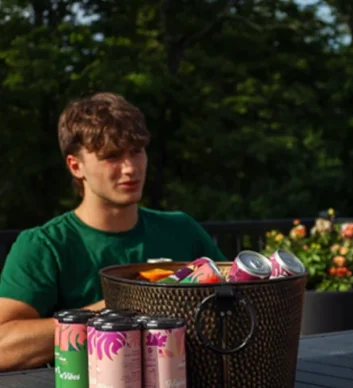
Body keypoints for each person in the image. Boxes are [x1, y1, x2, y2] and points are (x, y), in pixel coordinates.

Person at [0, 92, 226, 373]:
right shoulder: (44, 245)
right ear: (75, 165)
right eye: (112, 156)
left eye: (136, 151)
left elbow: (237, 305)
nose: (131, 168)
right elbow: (3, 346)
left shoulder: (182, 229)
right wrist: (120, 307)